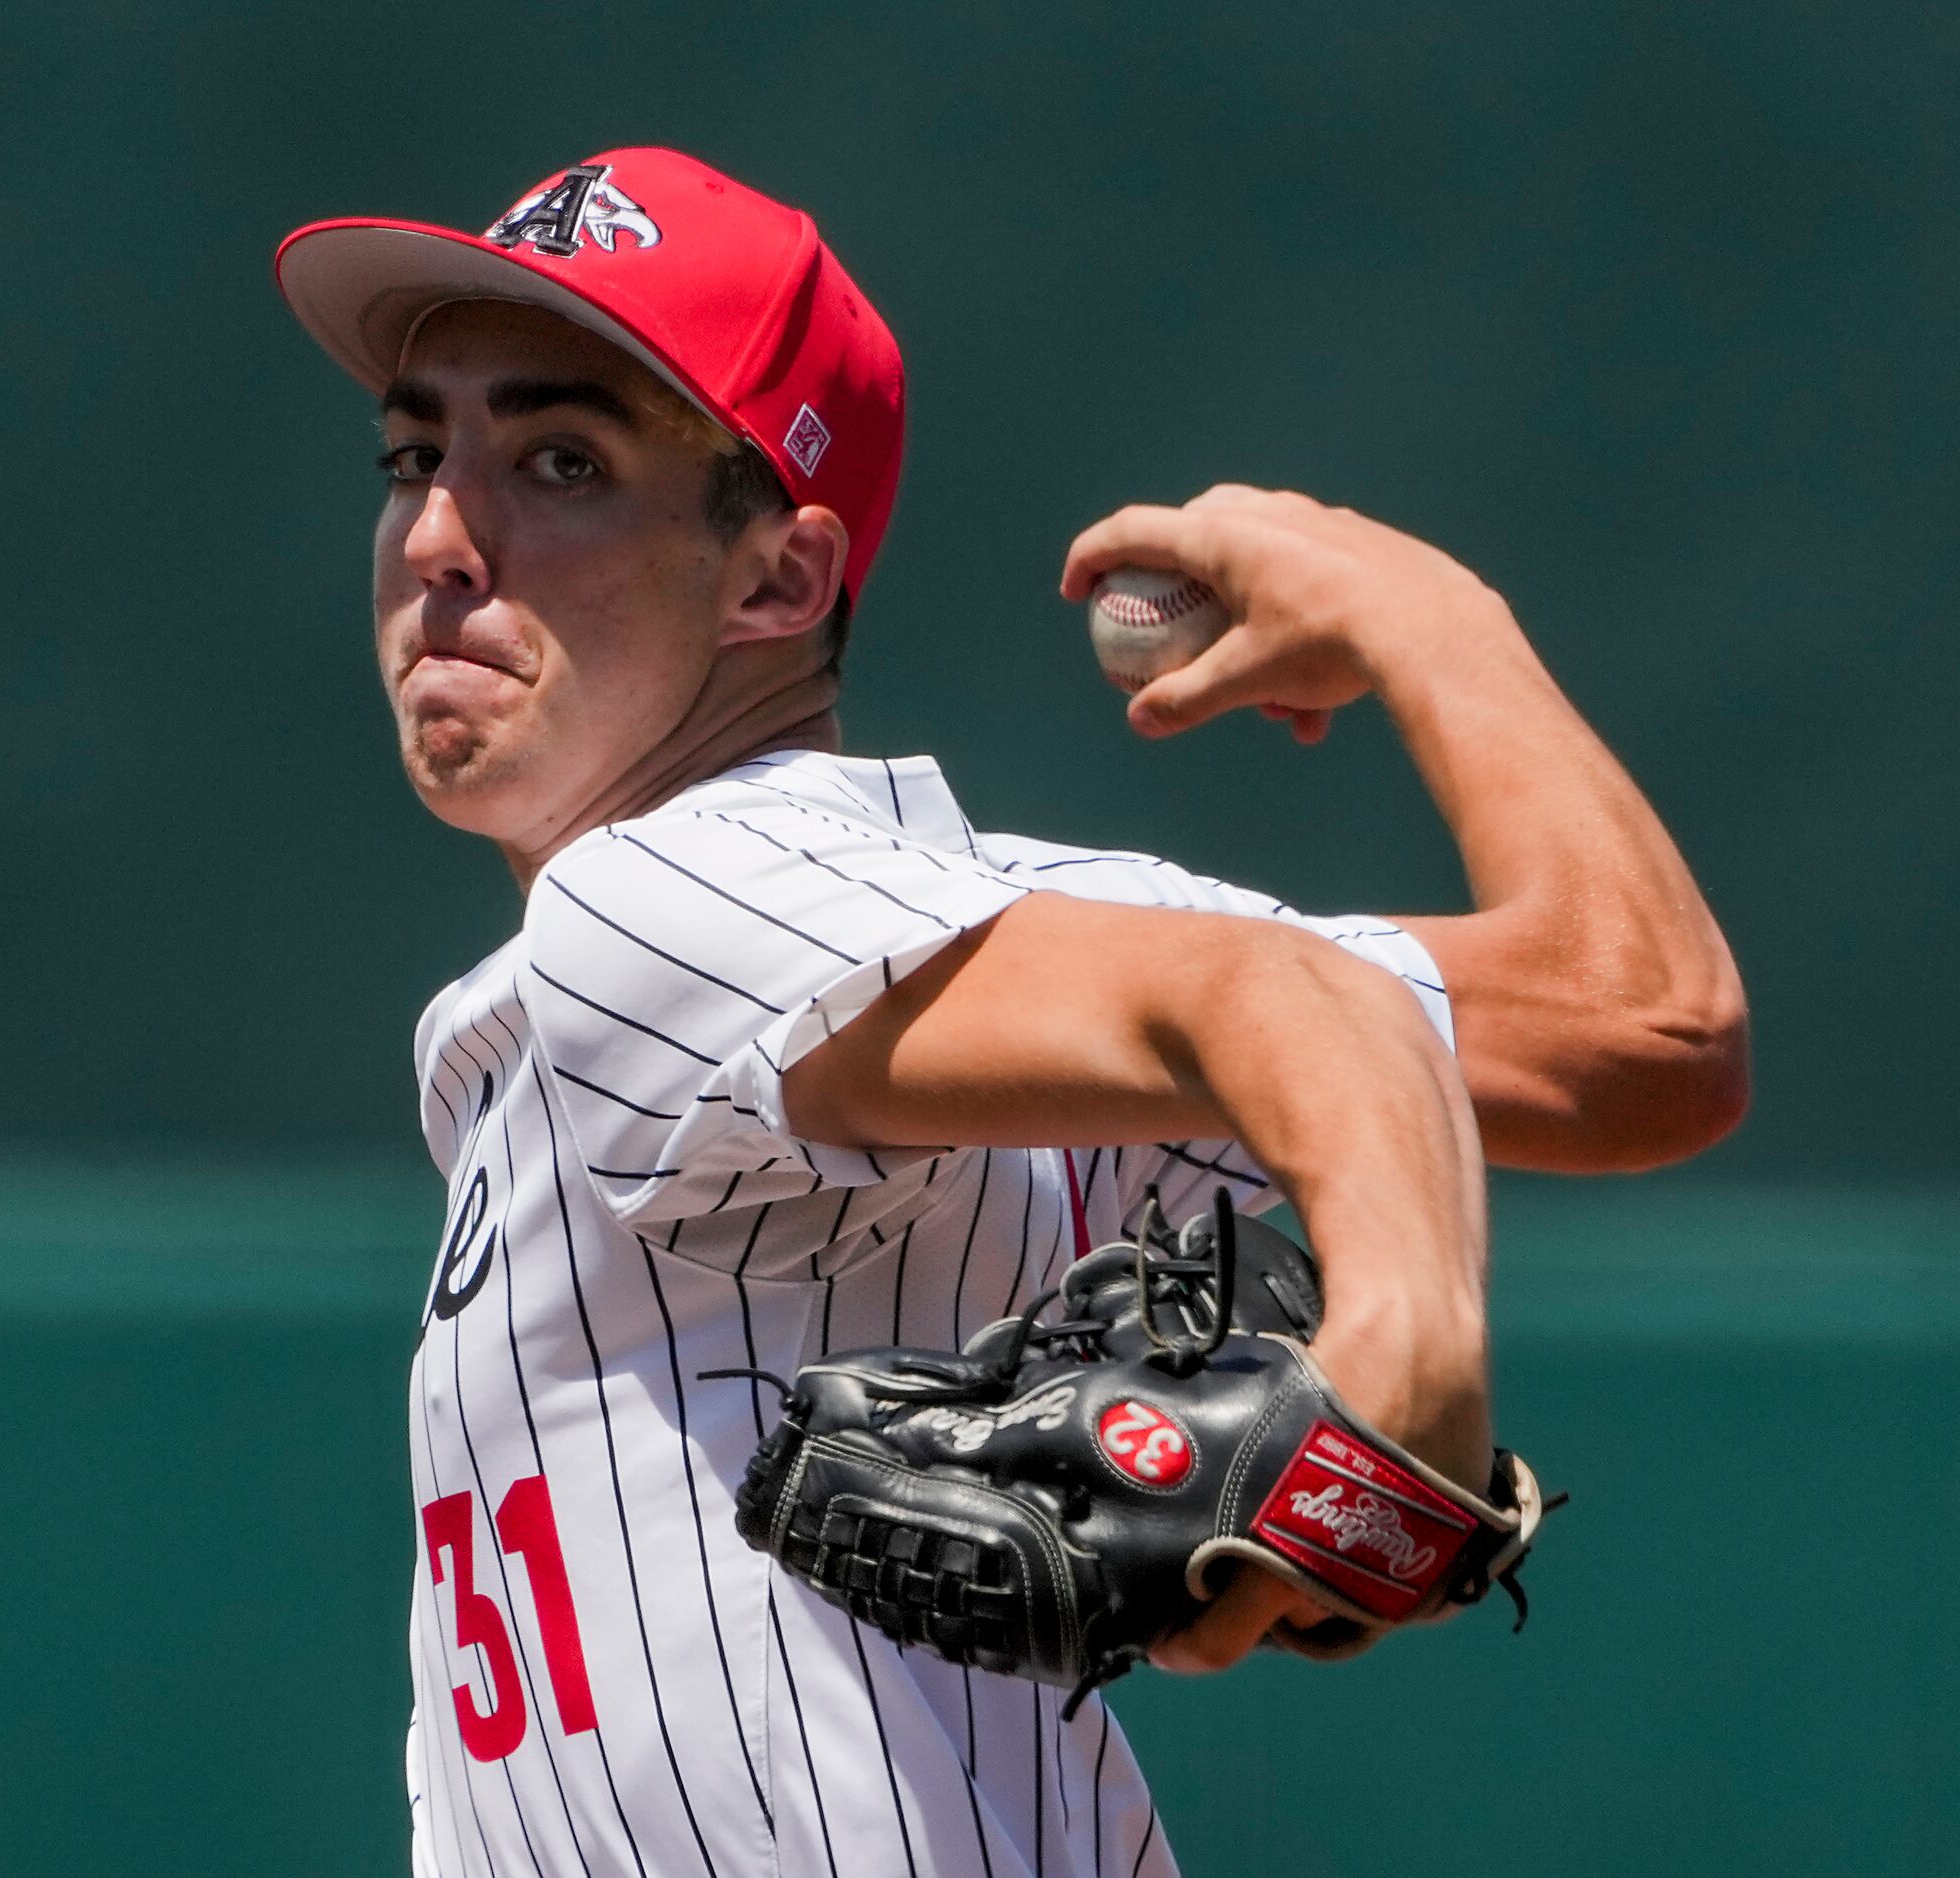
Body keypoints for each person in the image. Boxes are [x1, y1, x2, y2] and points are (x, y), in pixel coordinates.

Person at [274, 146, 1746, 1878]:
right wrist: (1441, 626)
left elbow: (1296, 993)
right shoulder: (955, 942)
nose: (440, 535)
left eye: (561, 460)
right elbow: (1639, 1028)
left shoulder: (658, 902)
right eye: (412, 454)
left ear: (773, 578)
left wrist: (1409, 1348)